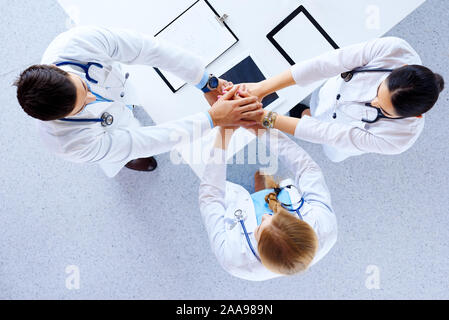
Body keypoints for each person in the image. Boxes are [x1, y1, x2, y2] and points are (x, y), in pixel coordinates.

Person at [14, 26, 263, 177]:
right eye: (82, 106)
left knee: (127, 106)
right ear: (62, 118)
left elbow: (150, 49)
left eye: (85, 87)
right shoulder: (70, 144)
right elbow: (145, 141)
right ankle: (126, 163)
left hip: (121, 91)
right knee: (127, 149)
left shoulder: (75, 43)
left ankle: (122, 111)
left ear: (61, 70)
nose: (92, 97)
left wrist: (206, 82)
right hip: (107, 137)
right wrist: (212, 119)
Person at [242, 37, 445, 162]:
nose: (373, 102)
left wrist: (265, 117)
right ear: (399, 69)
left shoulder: (399, 139)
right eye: (378, 91)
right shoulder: (394, 50)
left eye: (383, 110)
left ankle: (308, 115)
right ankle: (308, 113)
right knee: (317, 104)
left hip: (341, 131)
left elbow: (329, 134)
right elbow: (324, 64)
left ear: (416, 116)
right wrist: (263, 88)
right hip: (333, 93)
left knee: (331, 148)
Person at [198, 117, 337, 281]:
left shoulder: (235, 261)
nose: (264, 215)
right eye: (274, 215)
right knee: (263, 183)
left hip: (236, 206)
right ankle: (262, 187)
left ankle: (260, 189)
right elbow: (307, 169)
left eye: (259, 228)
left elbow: (210, 197)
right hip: (279, 197)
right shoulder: (325, 228)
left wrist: (223, 136)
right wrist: (259, 128)